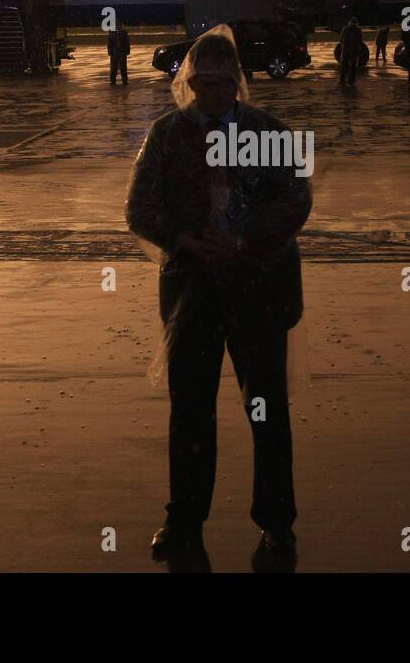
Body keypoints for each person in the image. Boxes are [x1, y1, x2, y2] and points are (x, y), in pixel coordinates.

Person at [126, 27, 311, 563]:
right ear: (189, 82)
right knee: (190, 411)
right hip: (192, 293)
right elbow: (139, 209)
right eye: (203, 82)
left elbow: (296, 201)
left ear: (237, 82)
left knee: (267, 410)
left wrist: (242, 239)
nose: (212, 92)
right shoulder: (166, 135)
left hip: (259, 290)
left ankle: (277, 525)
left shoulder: (269, 133)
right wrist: (184, 240)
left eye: (222, 82)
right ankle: (183, 520)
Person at [338, 16, 362, 86]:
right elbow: (341, 40)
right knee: (347, 66)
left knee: (348, 66)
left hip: (350, 50)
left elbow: (341, 40)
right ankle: (346, 80)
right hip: (349, 50)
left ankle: (346, 80)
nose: (353, 25)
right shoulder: (353, 29)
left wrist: (343, 47)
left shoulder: (346, 29)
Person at [108, 19, 130, 85]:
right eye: (117, 25)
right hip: (114, 52)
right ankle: (112, 80)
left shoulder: (124, 33)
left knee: (123, 67)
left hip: (122, 52)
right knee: (113, 67)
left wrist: (127, 51)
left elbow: (127, 42)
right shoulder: (111, 33)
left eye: (119, 25)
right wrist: (110, 51)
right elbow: (109, 43)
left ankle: (124, 80)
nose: (118, 26)